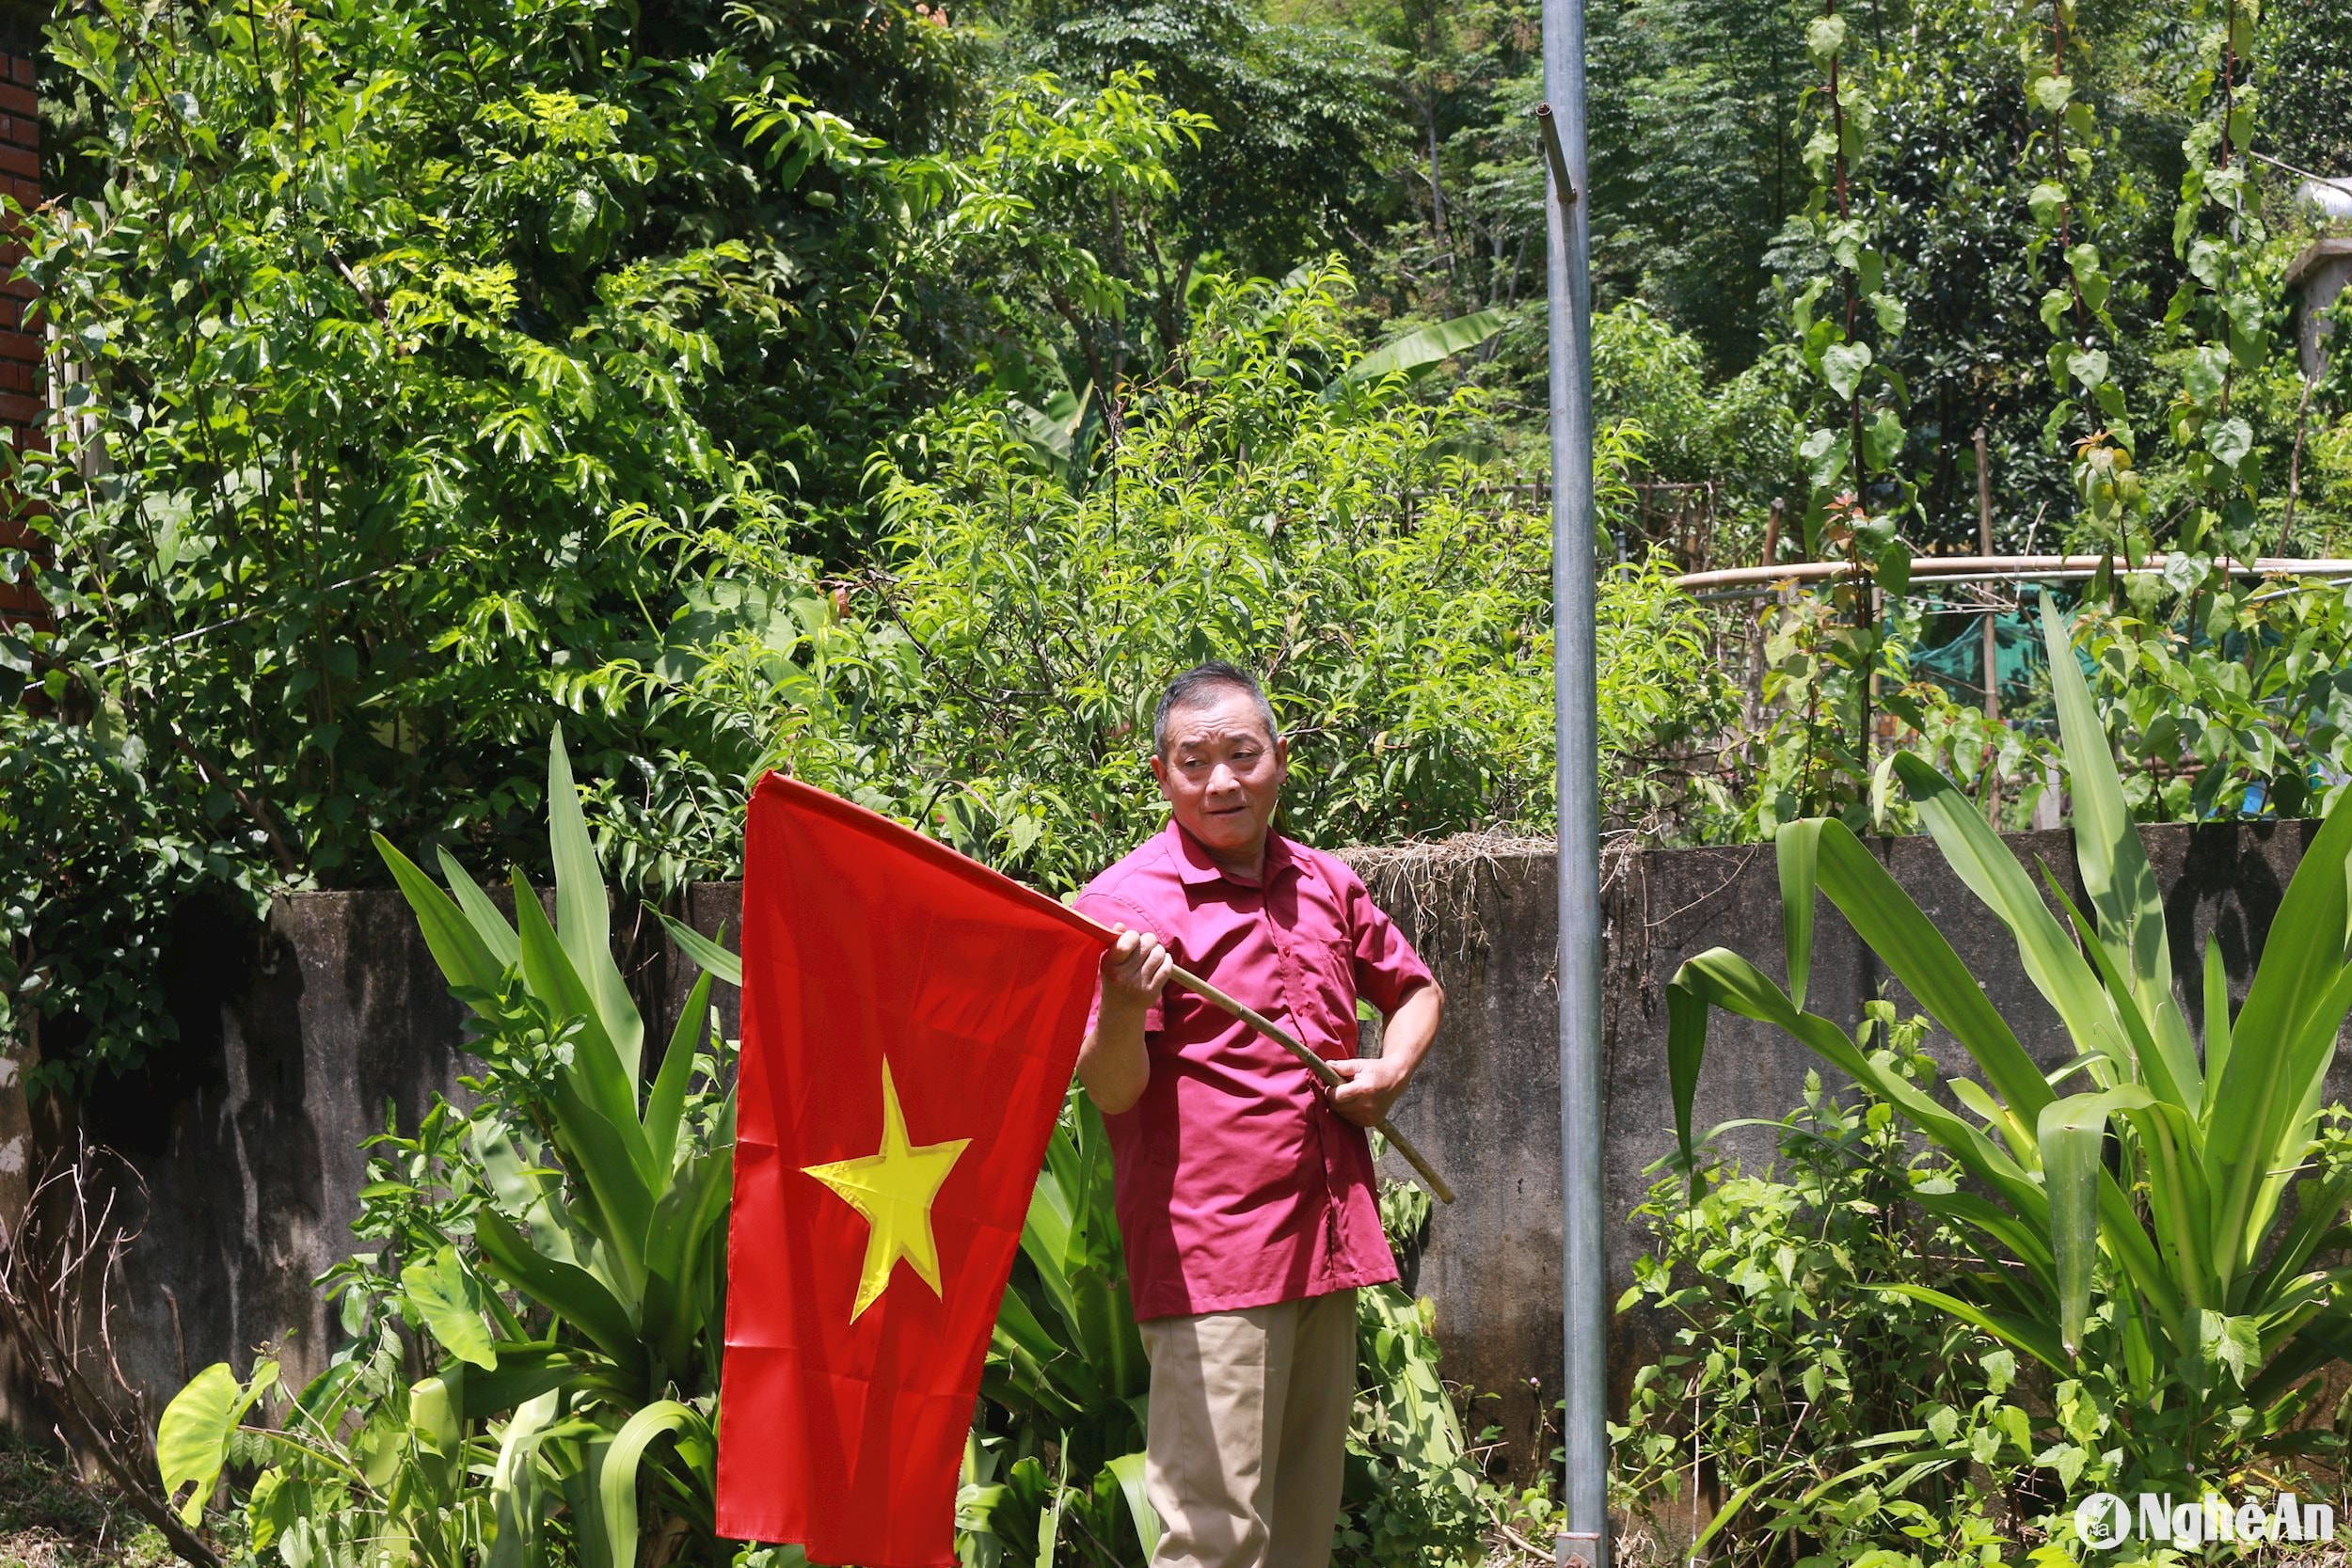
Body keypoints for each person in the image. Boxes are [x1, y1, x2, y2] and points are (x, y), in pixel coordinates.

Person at [1073, 660, 1445, 1568]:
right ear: (1162, 777)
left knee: (1299, 1532)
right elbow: (1109, 1089)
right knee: (1214, 1535)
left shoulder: (1323, 881)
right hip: (1215, 1263)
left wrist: (1391, 1069)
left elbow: (1415, 988)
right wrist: (1122, 1002)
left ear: (1279, 760)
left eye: (1242, 753)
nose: (1221, 780)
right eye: (1194, 761)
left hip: (1324, 1241)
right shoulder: (1125, 908)